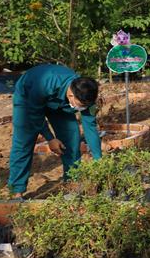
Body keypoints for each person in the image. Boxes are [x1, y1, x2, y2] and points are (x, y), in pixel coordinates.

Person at [8, 64, 101, 199]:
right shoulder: (46, 82)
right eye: (80, 106)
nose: (82, 109)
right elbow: (35, 115)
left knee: (72, 141)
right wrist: (50, 138)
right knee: (24, 143)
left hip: (59, 104)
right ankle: (16, 191)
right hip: (28, 97)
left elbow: (90, 127)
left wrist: (99, 160)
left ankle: (71, 185)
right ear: (71, 95)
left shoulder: (86, 95)